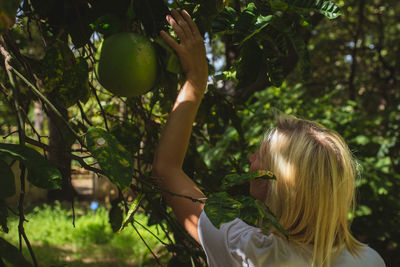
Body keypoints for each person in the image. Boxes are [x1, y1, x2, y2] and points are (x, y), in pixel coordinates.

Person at [152, 9, 386, 267]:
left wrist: (196, 79)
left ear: (277, 188)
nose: (251, 158)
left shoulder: (247, 249)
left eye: (261, 156)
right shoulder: (369, 260)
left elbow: (166, 169)